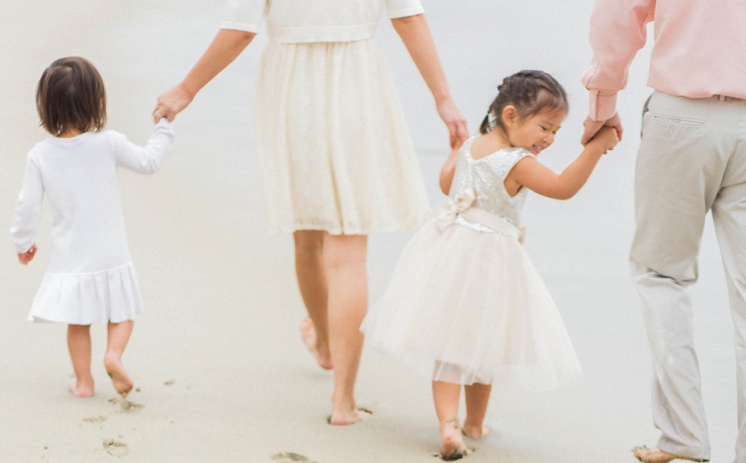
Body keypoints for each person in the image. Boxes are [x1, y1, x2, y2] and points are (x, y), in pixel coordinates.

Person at [153, 0, 468, 426]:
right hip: (358, 79)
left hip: (291, 84)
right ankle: (343, 401)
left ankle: (323, 341)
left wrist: (186, 89)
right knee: (348, 251)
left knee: (306, 236)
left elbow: (242, 30)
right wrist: (443, 98)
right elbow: (408, 17)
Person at [363, 71, 619, 459]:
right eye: (545, 127)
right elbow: (563, 188)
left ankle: (450, 425)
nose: (548, 139)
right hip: (490, 264)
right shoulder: (516, 161)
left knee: (448, 345)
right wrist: (595, 148)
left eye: (556, 132)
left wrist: (454, 153)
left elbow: (448, 184)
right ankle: (475, 424)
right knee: (483, 345)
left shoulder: (472, 146)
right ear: (512, 116)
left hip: (449, 252)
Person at [582, 0, 746, 463]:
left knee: (661, 275)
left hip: (682, 115)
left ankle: (683, 430)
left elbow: (617, 16)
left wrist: (602, 103)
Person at [10, 57, 175, 398]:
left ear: (47, 105)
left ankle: (84, 383)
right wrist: (163, 128)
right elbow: (148, 161)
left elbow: (27, 207)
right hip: (110, 251)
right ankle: (113, 354)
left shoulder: (40, 155)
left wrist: (23, 242)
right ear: (98, 102)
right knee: (123, 312)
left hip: (72, 257)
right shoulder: (108, 143)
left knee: (78, 322)